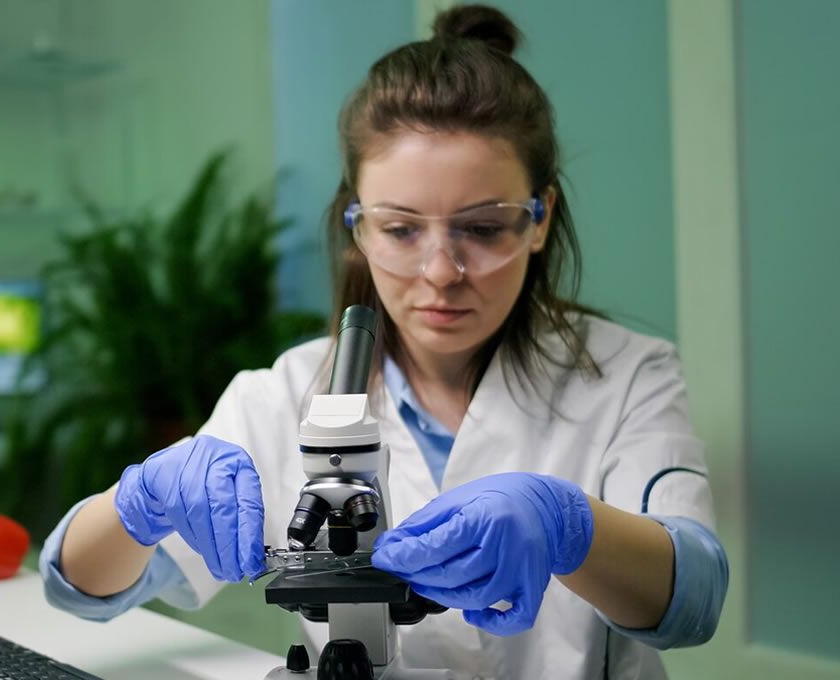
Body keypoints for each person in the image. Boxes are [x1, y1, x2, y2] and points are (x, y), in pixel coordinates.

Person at [39, 5, 728, 678]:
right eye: (401, 230)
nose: (439, 273)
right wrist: (138, 506)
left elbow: (693, 602)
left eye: (484, 228)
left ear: (540, 220)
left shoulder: (629, 374)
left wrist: (572, 529)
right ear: (358, 228)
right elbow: (81, 590)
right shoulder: (283, 395)